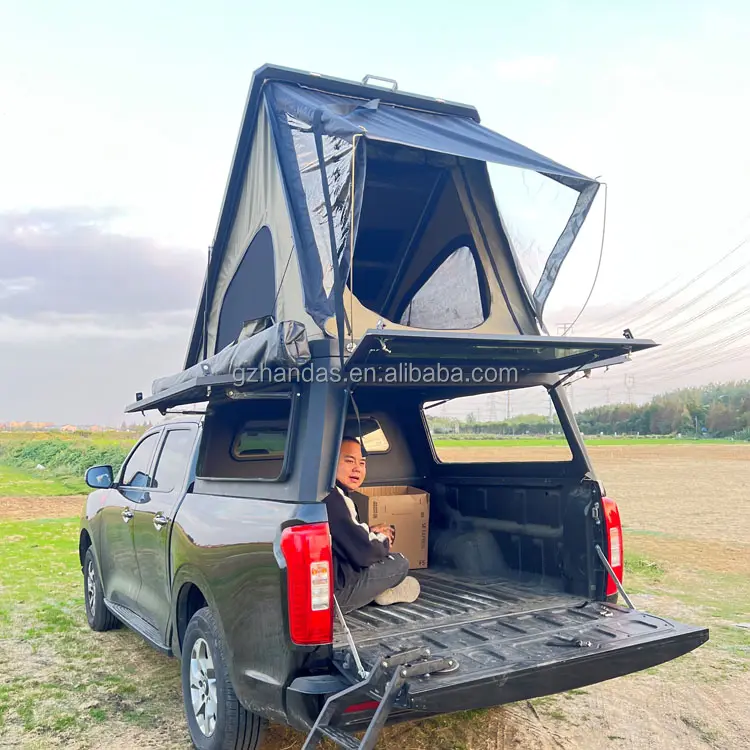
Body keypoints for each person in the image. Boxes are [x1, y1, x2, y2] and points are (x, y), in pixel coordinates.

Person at [323, 436, 420, 614]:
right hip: (334, 597)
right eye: (349, 461)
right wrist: (384, 538)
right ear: (329, 462)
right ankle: (380, 591)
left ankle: (378, 591)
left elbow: (346, 535)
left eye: (362, 463)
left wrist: (371, 531)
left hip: (326, 587)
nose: (357, 468)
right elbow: (365, 553)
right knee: (399, 562)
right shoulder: (333, 497)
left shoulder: (322, 492)